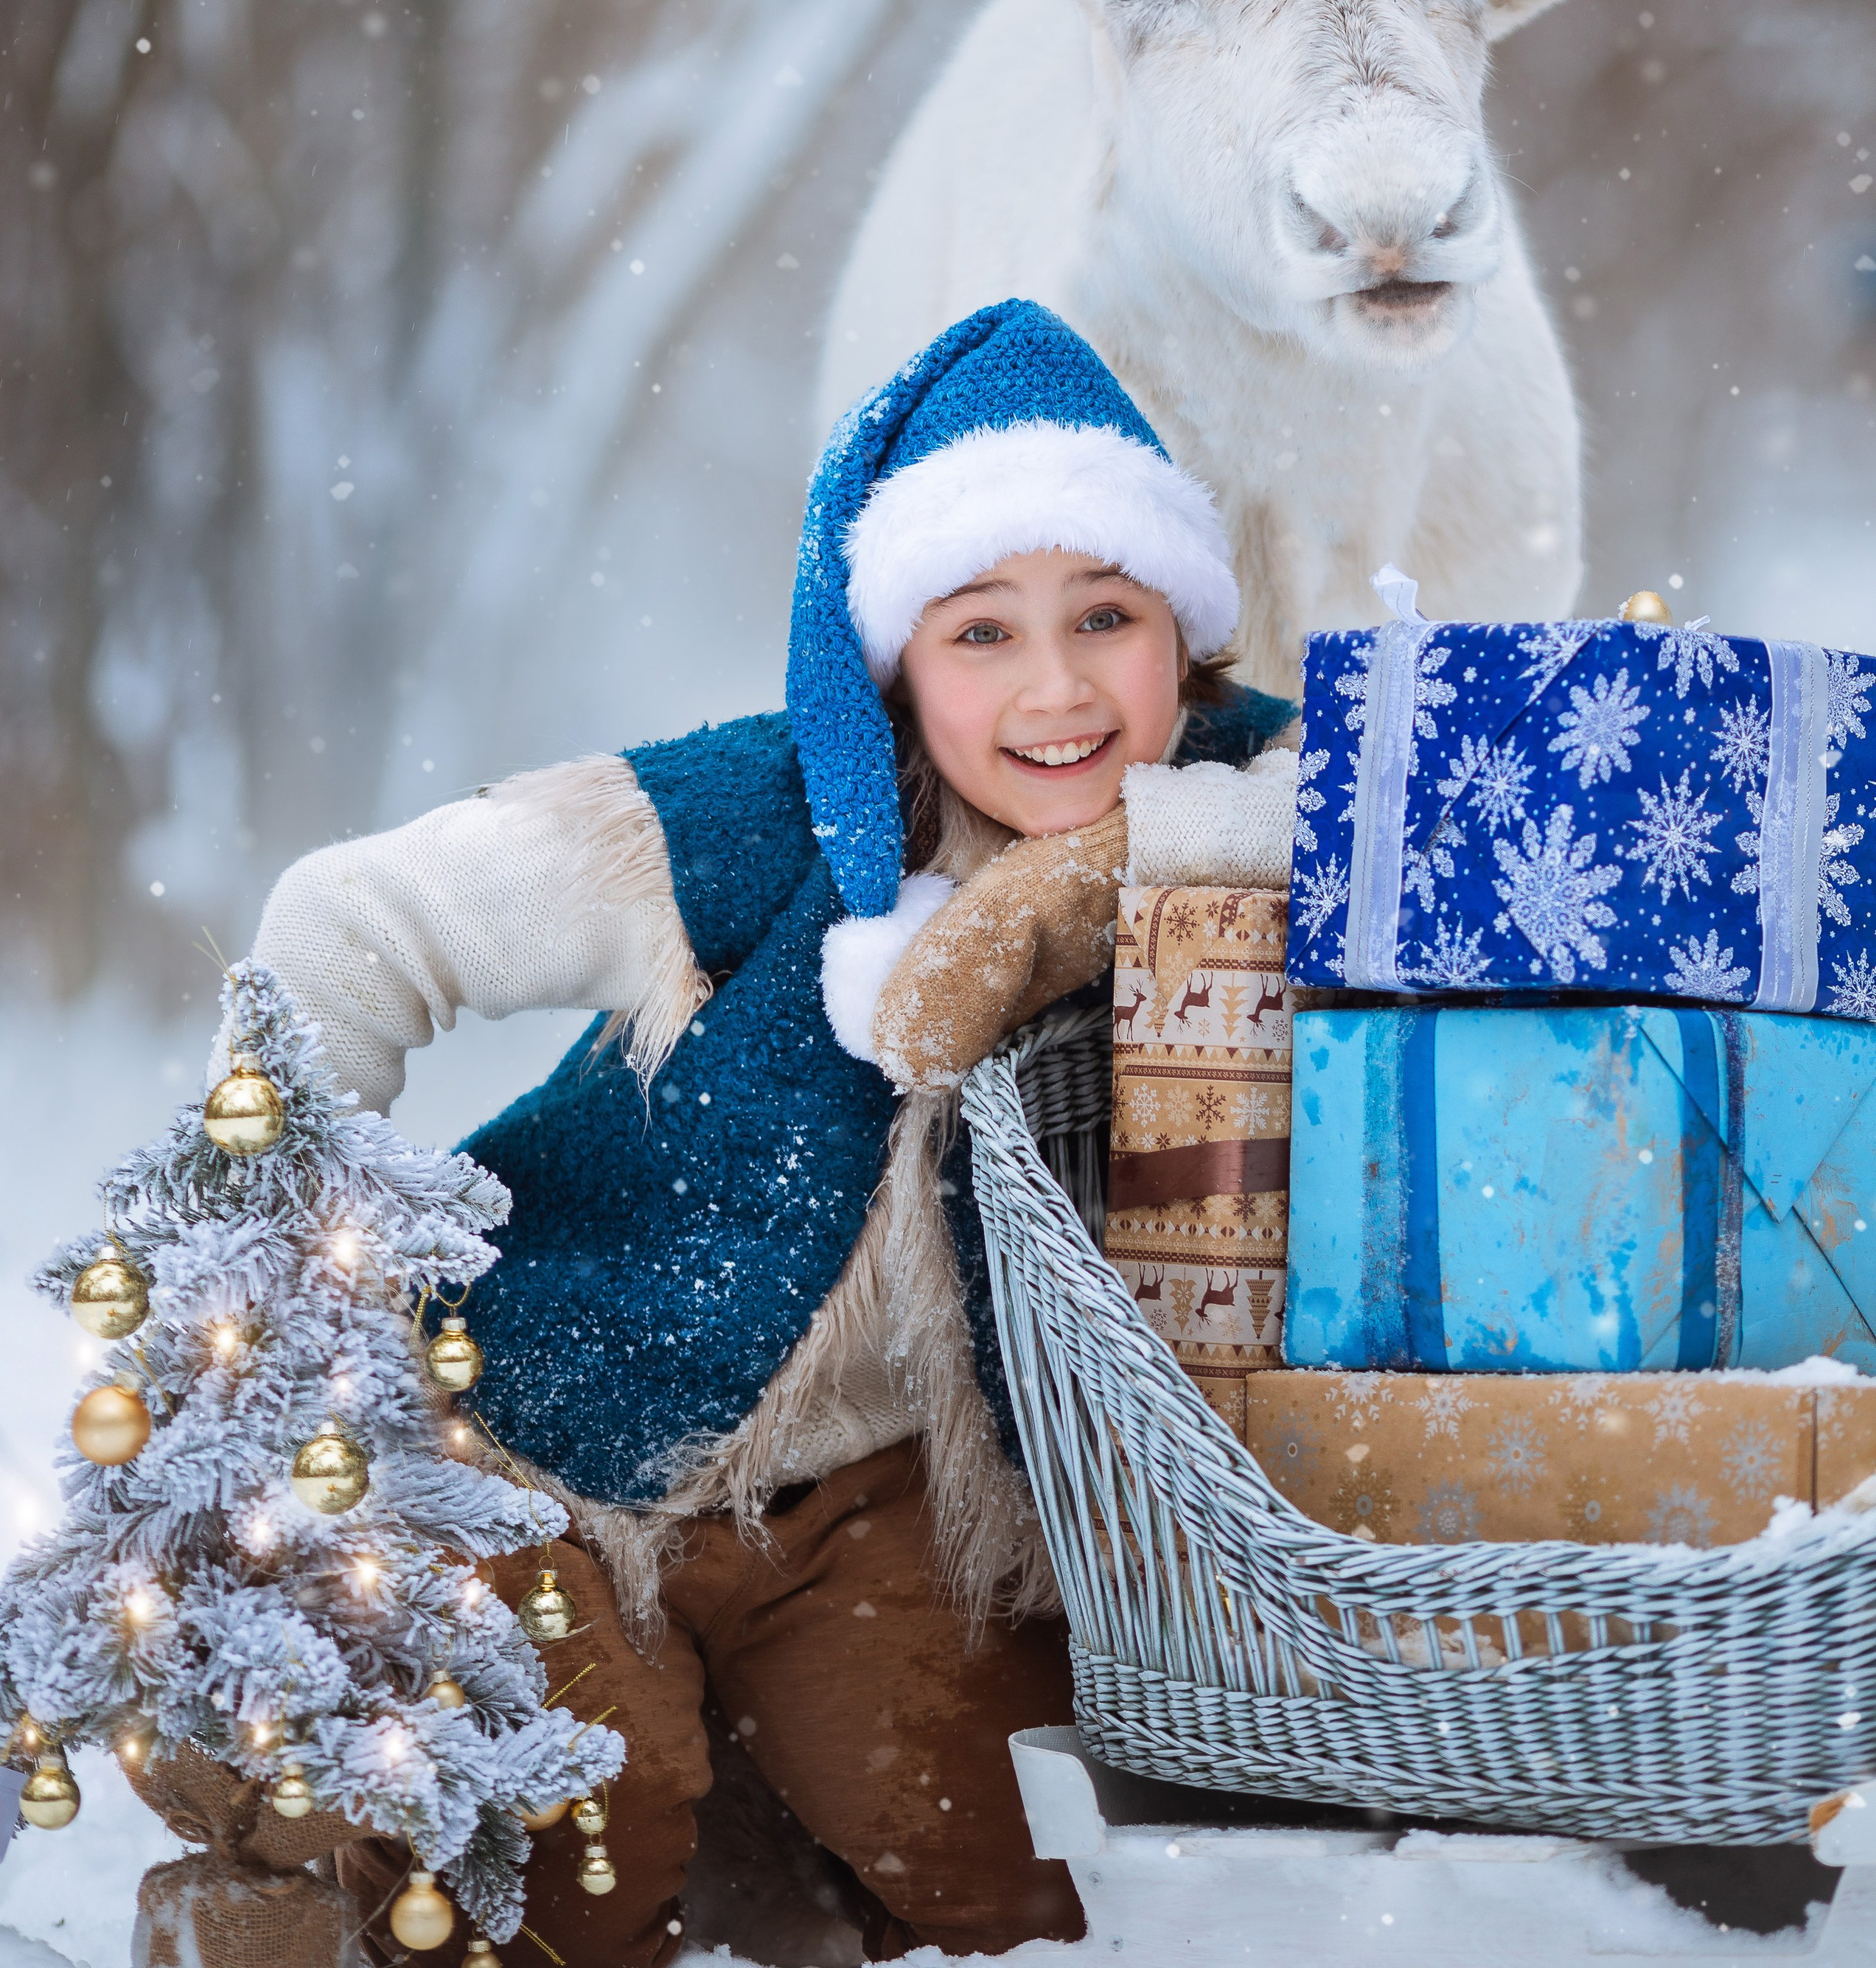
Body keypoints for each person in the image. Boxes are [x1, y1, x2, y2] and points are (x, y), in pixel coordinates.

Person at [248, 300, 1297, 1965]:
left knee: (1029, 1890)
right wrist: (308, 1319)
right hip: (549, 1444)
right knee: (569, 1860)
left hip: (868, 1499)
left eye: (1105, 615)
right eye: (978, 634)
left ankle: (758, 1818)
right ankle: (276, 1913)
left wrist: (1129, 862)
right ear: (890, 661)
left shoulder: (1241, 812)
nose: (1055, 690)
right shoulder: (759, 815)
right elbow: (346, 921)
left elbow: (1409, 812)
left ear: (1184, 632)